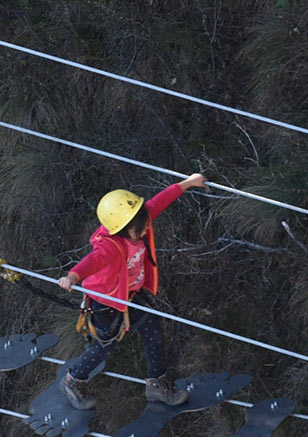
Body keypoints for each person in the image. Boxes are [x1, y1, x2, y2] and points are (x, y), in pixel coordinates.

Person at [49, 172, 208, 408]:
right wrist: (73, 276)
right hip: (107, 303)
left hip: (130, 296)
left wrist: (187, 184)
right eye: (140, 230)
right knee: (106, 345)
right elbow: (92, 261)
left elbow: (158, 202)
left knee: (153, 329)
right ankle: (73, 380)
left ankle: (155, 385)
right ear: (122, 229)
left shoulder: (138, 220)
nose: (145, 231)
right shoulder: (111, 247)